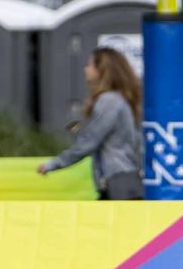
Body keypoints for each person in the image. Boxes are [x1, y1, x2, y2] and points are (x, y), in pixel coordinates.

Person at [37, 47, 145, 200]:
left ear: (101, 70)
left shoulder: (109, 101)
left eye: (89, 65)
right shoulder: (121, 100)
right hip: (125, 180)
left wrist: (54, 164)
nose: (85, 69)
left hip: (117, 182)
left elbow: (90, 142)